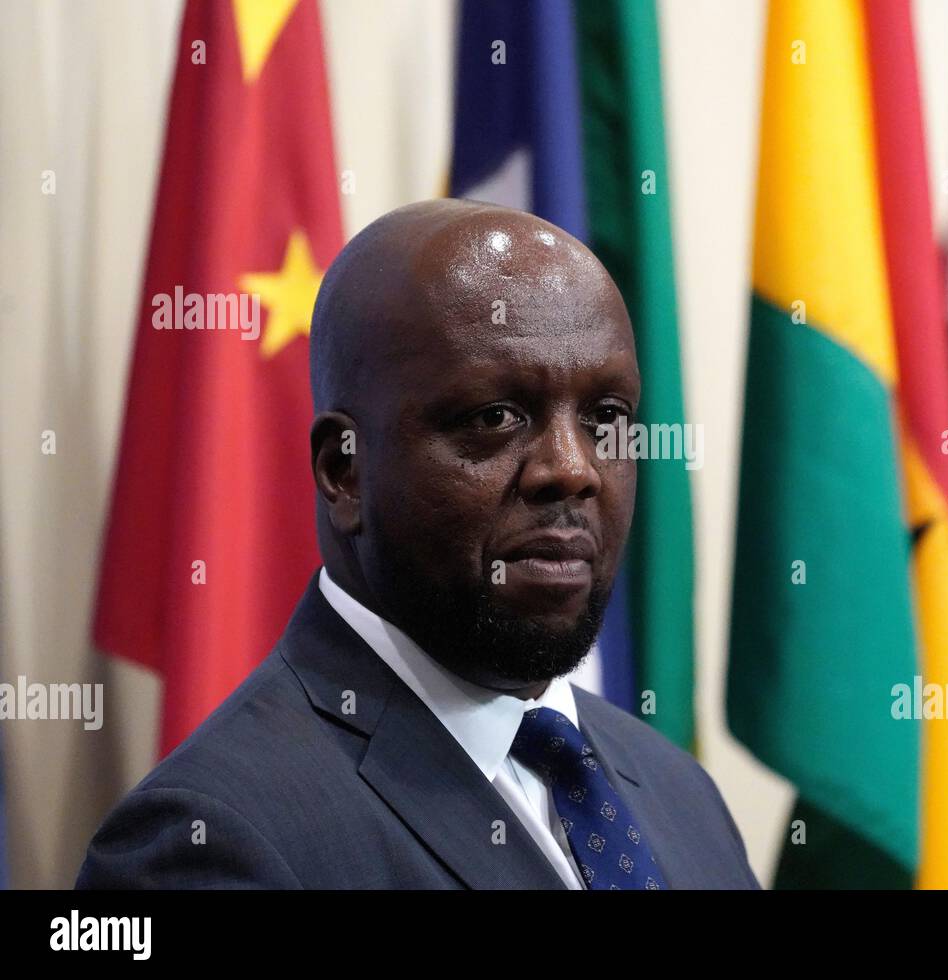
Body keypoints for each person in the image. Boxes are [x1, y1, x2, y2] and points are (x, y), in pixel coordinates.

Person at [76, 199, 759, 890]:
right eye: (496, 416)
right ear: (345, 471)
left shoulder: (681, 796)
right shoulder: (211, 842)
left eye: (605, 418)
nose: (573, 469)